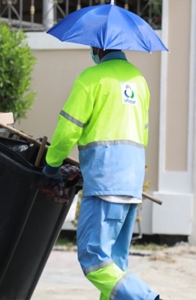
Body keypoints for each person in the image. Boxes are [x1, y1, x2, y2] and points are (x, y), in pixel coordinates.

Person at [42, 47, 160, 300]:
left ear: (98, 48)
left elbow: (67, 130)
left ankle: (148, 298)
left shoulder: (91, 79)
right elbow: (144, 134)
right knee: (115, 266)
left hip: (105, 182)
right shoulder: (140, 82)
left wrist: (52, 164)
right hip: (132, 183)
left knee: (93, 259)